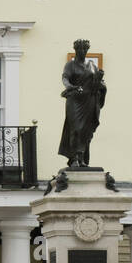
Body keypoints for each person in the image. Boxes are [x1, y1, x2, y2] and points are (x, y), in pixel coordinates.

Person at [58, 38, 106, 168]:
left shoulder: (92, 65)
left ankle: (81, 158)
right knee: (76, 129)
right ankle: (73, 158)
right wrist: (70, 87)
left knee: (86, 131)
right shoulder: (70, 65)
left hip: (89, 101)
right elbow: (65, 78)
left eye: (85, 49)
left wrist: (100, 79)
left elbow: (99, 83)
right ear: (75, 50)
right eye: (80, 49)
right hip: (75, 100)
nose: (83, 51)